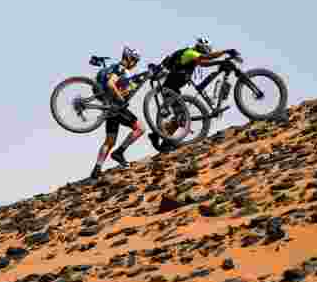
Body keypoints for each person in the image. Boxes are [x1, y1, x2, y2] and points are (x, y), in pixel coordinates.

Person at [148, 37, 237, 152]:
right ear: (203, 48)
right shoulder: (190, 53)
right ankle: (160, 137)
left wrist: (220, 62)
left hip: (173, 89)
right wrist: (225, 52)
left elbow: (204, 63)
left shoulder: (193, 55)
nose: (207, 52)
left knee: (181, 117)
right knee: (181, 117)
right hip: (169, 89)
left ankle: (162, 140)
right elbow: (206, 58)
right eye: (207, 50)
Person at [90, 46, 146, 180]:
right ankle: (119, 153)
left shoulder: (114, 68)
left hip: (109, 108)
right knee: (140, 128)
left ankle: (97, 169)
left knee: (109, 141)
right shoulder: (120, 68)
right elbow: (110, 84)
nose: (135, 64)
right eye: (135, 61)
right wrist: (121, 97)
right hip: (117, 107)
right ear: (129, 59)